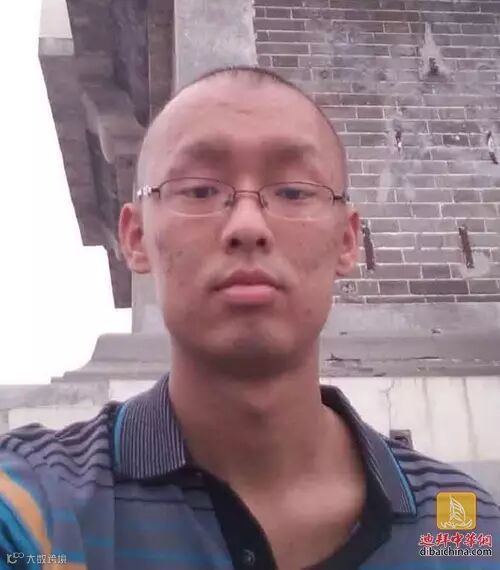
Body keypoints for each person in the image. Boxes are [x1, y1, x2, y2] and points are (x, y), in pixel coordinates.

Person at [0, 66, 499, 570]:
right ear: (135, 237)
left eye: (294, 192)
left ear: (348, 240)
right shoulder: (34, 509)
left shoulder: (463, 529)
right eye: (199, 189)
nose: (247, 225)